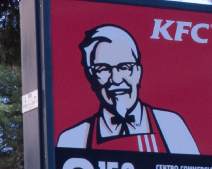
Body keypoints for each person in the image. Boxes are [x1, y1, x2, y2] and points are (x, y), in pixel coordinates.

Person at [57, 24, 199, 154]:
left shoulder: (170, 125)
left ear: (138, 72)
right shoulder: (74, 139)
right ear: (91, 77)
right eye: (103, 69)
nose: (116, 79)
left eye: (125, 67)